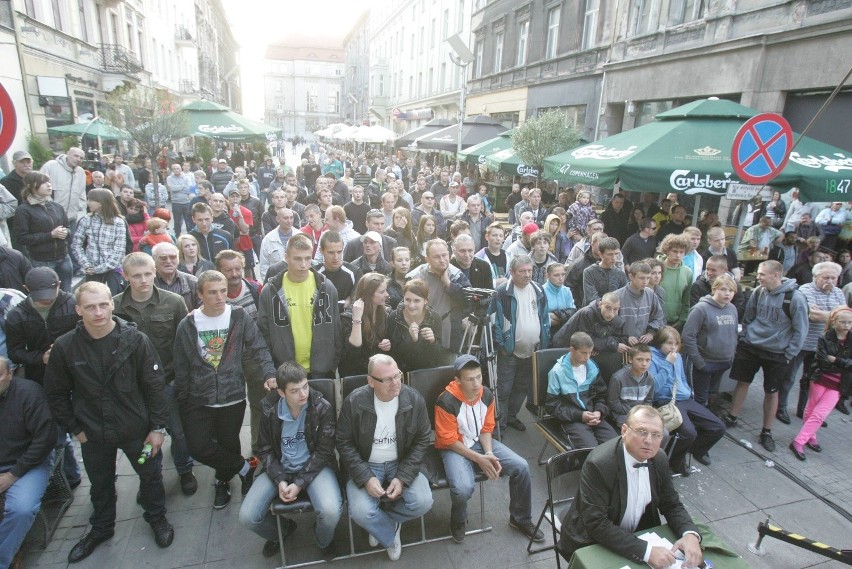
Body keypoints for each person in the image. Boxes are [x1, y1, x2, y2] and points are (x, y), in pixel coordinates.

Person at [44, 282, 174, 562]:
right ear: (78, 310)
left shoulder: (136, 340)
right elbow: (55, 393)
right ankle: (101, 528)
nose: (98, 312)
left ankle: (157, 518)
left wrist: (157, 428)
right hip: (93, 435)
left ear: (112, 304)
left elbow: (155, 385)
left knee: (149, 475)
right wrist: (75, 430)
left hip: (136, 432)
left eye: (103, 304)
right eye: (90, 307)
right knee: (101, 483)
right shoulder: (66, 347)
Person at [173, 270, 276, 510]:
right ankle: (244, 467)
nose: (220, 297)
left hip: (232, 395)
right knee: (198, 447)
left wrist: (269, 373)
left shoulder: (238, 316)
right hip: (199, 397)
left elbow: (259, 346)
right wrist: (183, 397)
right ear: (200, 294)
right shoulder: (187, 324)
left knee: (228, 443)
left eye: (222, 291)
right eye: (212, 292)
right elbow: (180, 364)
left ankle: (222, 482)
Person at [557, 405, 704, 568]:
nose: (649, 440)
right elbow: (596, 524)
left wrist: (690, 533)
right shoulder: (599, 464)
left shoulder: (659, 458)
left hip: (637, 531)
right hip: (593, 540)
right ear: (624, 431)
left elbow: (671, 503)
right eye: (642, 431)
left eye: (656, 435)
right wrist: (646, 551)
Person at [112, 253, 196, 496]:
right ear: (125, 276)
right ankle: (150, 478)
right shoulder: (114, 306)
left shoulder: (174, 302)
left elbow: (186, 344)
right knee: (140, 436)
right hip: (132, 386)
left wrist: (184, 380)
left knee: (178, 432)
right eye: (136, 276)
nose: (144, 280)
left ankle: (184, 469)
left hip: (168, 381)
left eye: (148, 274)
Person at [239, 362, 342, 559]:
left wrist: (300, 483)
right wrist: (281, 479)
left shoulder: (322, 407)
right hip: (281, 467)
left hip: (316, 467)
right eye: (294, 391)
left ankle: (323, 540)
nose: (303, 394)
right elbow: (265, 449)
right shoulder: (269, 411)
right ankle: (283, 530)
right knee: (248, 517)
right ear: (281, 393)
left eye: (305, 386)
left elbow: (324, 451)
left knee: (330, 512)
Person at [436, 354, 544, 543]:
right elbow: (449, 441)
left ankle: (520, 519)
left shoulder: (486, 394)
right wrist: (479, 459)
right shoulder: (445, 401)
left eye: (479, 377)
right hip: (455, 446)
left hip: (479, 441)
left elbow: (487, 429)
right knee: (462, 488)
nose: (477, 383)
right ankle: (458, 519)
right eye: (470, 379)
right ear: (458, 380)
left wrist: (488, 453)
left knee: (522, 467)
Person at [335, 354, 434, 561]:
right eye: (387, 379)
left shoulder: (414, 399)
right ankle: (389, 532)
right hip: (367, 463)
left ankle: (381, 524)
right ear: (371, 381)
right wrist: (365, 476)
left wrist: (403, 476)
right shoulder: (354, 401)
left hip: (402, 461)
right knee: (361, 512)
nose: (396, 383)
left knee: (423, 502)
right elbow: (343, 442)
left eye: (397, 376)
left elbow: (424, 438)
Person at [724, 260, 808, 452]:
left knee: (772, 391)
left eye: (762, 274)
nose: (758, 277)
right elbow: (749, 316)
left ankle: (766, 431)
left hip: (777, 353)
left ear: (776, 275)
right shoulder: (758, 292)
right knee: (742, 382)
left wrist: (789, 353)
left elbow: (801, 329)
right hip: (752, 347)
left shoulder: (795, 298)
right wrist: (745, 337)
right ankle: (732, 417)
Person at [257, 234, 342, 377]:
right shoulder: (270, 291)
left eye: (307, 258)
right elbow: (263, 333)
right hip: (286, 371)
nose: (303, 264)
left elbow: (336, 330)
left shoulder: (326, 287)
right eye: (297, 259)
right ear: (286, 257)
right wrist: (271, 368)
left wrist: (332, 363)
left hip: (322, 369)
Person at [0, 356, 57, 569]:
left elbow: (45, 439)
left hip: (29, 464)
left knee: (21, 508)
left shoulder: (29, 393)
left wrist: (12, 474)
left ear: (10, 374)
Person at [650, 326, 726, 475]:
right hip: (667, 400)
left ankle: (691, 451)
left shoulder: (677, 357)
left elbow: (682, 378)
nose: (673, 347)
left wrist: (688, 391)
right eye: (669, 343)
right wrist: (667, 364)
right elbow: (655, 388)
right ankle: (674, 462)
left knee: (718, 427)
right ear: (660, 343)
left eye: (676, 344)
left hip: (685, 398)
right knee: (689, 433)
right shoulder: (653, 358)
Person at [490, 254, 550, 431]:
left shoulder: (538, 289)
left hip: (531, 351)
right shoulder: (502, 292)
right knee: (503, 389)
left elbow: (544, 317)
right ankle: (499, 423)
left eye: (530, 270)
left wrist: (543, 343)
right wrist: (502, 347)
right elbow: (494, 321)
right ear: (512, 272)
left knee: (521, 389)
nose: (527, 274)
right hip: (509, 352)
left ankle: (511, 417)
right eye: (522, 271)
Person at [781, 261, 845, 422]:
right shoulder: (804, 290)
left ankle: (804, 411)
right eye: (826, 277)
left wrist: (830, 315)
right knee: (789, 377)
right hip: (801, 342)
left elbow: (845, 318)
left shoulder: (838, 293)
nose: (830, 281)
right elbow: (812, 315)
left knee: (811, 380)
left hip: (823, 347)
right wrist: (834, 315)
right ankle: (780, 407)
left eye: (833, 278)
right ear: (815, 277)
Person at [789, 307, 852, 460]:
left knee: (820, 413)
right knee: (811, 408)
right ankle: (811, 436)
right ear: (834, 321)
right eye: (843, 322)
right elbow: (822, 360)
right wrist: (843, 363)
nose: (847, 325)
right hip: (819, 378)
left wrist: (836, 360)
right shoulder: (824, 337)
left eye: (850, 322)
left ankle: (799, 440)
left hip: (838, 384)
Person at [546, 331, 618, 448]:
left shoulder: (592, 367)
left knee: (616, 445)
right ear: (572, 350)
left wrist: (599, 412)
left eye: (590, 353)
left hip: (593, 416)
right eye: (583, 353)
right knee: (590, 450)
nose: (587, 357)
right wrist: (580, 416)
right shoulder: (557, 372)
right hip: (571, 420)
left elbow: (601, 395)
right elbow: (552, 406)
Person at [682, 274, 739, 407]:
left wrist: (732, 355)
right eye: (723, 289)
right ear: (714, 289)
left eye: (731, 291)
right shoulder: (700, 309)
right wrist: (699, 362)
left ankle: (710, 418)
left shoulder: (732, 308)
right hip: (705, 362)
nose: (727, 294)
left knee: (713, 394)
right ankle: (700, 423)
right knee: (699, 398)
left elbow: (734, 333)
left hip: (724, 362)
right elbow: (688, 336)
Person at [406, 239, 471, 352]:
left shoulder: (456, 275)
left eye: (444, 255)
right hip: (423, 329)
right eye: (436, 257)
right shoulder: (417, 276)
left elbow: (468, 300)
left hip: (450, 332)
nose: (442, 260)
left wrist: (449, 284)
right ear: (427, 259)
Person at [14, 172, 72, 290]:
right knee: (48, 294)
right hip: (42, 261)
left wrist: (66, 232)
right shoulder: (24, 210)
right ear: (31, 186)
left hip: (64, 257)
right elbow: (22, 238)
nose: (49, 185)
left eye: (49, 182)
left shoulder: (56, 206)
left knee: (67, 294)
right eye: (44, 183)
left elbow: (68, 227)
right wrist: (50, 235)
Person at [553, 292, 627, 381]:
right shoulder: (587, 313)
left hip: (585, 350)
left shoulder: (616, 320)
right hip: (564, 347)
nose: (611, 313)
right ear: (600, 305)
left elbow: (618, 337)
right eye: (608, 308)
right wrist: (612, 345)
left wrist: (597, 347)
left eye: (615, 309)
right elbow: (587, 340)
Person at [71, 189, 129, 294]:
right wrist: (86, 265)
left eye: (91, 200)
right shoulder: (86, 220)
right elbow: (76, 244)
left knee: (115, 296)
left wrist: (99, 269)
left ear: (101, 202)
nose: (88, 203)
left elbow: (119, 250)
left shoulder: (118, 222)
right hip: (91, 269)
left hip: (112, 269)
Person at [386, 279, 450, 372]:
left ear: (425, 301)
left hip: (425, 372)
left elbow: (439, 357)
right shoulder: (394, 317)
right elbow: (392, 355)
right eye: (408, 300)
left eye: (417, 301)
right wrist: (412, 340)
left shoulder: (434, 318)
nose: (412, 305)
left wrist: (433, 341)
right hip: (400, 372)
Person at [340, 273, 392, 377]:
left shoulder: (386, 313)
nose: (387, 294)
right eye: (382, 292)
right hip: (355, 373)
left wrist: (388, 343)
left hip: (378, 371)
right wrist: (357, 319)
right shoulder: (348, 317)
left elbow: (392, 342)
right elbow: (354, 351)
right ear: (368, 294)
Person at [615, 261, 666, 347]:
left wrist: (651, 333)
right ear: (631, 276)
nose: (645, 282)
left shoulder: (650, 294)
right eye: (642, 278)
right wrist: (625, 337)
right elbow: (610, 322)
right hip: (623, 345)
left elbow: (658, 317)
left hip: (644, 345)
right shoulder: (617, 296)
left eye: (648, 278)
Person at [607, 345, 655, 427]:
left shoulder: (650, 378)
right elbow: (613, 403)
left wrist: (641, 412)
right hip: (622, 414)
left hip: (641, 414)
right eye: (639, 359)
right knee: (637, 430)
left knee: (662, 432)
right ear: (630, 359)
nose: (644, 364)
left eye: (648, 360)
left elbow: (648, 400)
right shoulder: (618, 378)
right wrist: (633, 412)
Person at [658, 234, 693, 330]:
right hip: (655, 320)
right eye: (675, 251)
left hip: (676, 322)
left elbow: (687, 300)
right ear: (667, 250)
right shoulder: (656, 269)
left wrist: (682, 320)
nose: (678, 255)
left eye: (682, 252)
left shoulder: (687, 272)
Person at [153, 242, 199, 311]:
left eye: (172, 257)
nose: (168, 261)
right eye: (163, 258)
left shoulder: (192, 282)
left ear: (178, 259)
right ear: (154, 259)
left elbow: (201, 310)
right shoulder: (148, 283)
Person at [583, 236, 627, 305]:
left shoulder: (621, 274)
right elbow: (591, 298)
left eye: (616, 254)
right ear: (600, 254)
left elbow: (624, 297)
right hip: (594, 312)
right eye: (610, 254)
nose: (614, 258)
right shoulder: (589, 272)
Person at [543, 262, 576, 334]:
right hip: (546, 332)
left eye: (563, 274)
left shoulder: (566, 291)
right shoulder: (541, 291)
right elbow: (541, 317)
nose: (561, 278)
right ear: (548, 276)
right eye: (556, 275)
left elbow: (572, 313)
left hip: (564, 331)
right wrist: (563, 317)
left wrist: (554, 316)